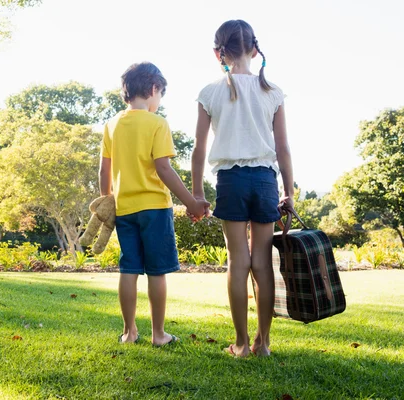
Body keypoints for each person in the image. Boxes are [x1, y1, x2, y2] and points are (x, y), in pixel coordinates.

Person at [191, 20, 294, 357]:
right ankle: (263, 344)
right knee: (262, 263)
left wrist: (197, 195)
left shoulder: (209, 93)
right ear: (254, 48)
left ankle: (240, 344)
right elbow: (283, 150)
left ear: (218, 53)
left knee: (238, 262)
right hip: (265, 181)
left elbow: (199, 150)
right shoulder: (273, 92)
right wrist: (288, 192)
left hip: (230, 181)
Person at [100, 62, 209, 346]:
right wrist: (191, 203)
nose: (159, 102)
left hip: (124, 209)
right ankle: (158, 335)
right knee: (157, 271)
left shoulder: (111, 125)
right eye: (160, 95)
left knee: (129, 269)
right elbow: (163, 169)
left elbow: (105, 171)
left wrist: (106, 202)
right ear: (152, 89)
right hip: (155, 208)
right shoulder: (157, 123)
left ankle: (129, 332)